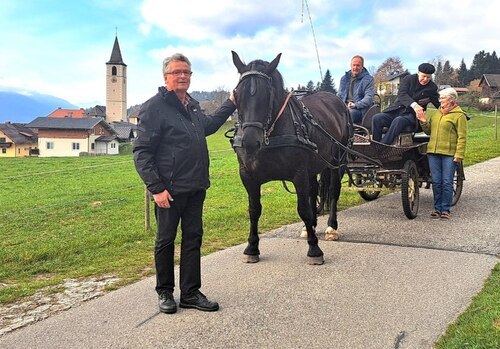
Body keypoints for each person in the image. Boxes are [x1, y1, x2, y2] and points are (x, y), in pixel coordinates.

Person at [133, 53, 236, 314]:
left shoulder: (191, 105)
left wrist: (232, 103)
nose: (182, 76)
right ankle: (165, 292)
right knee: (166, 240)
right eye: (177, 72)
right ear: (165, 76)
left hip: (195, 186)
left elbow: (209, 126)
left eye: (187, 72)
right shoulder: (154, 107)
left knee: (193, 239)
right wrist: (156, 188)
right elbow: (142, 153)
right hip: (169, 189)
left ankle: (190, 292)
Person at [416, 87, 467, 220]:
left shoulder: (459, 115)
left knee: (447, 182)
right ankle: (437, 209)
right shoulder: (437, 114)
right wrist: (423, 120)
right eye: (440, 98)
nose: (440, 101)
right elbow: (428, 131)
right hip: (433, 152)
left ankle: (445, 210)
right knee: (437, 182)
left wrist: (459, 155)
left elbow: (462, 137)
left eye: (442, 98)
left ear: (451, 100)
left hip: (449, 154)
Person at [372, 63, 440, 145]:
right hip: (397, 110)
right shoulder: (408, 79)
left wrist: (450, 110)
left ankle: (382, 146)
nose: (425, 79)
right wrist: (415, 105)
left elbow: (438, 103)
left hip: (412, 116)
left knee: (399, 120)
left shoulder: (432, 88)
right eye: (423, 76)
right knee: (377, 118)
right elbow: (402, 94)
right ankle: (375, 143)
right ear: (418, 72)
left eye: (428, 77)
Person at [337, 55, 375, 124]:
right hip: (344, 107)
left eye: (358, 65)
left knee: (347, 115)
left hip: (359, 110)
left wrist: (355, 105)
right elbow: (339, 95)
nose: (355, 67)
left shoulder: (368, 80)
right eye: (354, 65)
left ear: (362, 67)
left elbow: (369, 98)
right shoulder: (344, 79)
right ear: (350, 66)